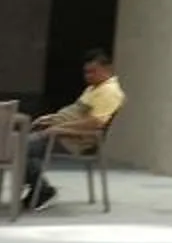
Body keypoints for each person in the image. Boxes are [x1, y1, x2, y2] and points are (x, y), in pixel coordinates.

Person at [22, 50, 124, 214]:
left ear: (108, 69)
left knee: (21, 147)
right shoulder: (93, 88)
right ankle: (38, 189)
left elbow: (96, 122)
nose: (88, 76)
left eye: (93, 71)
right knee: (20, 147)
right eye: (86, 72)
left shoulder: (109, 91)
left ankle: (43, 191)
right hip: (59, 132)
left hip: (73, 139)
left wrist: (58, 128)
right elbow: (75, 113)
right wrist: (52, 118)